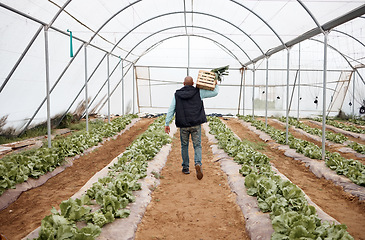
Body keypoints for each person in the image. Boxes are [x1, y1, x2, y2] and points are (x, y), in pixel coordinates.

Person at [164, 76, 219, 180]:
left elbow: (171, 109)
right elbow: (215, 93)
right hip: (195, 124)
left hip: (183, 125)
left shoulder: (177, 94)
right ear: (193, 83)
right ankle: (198, 163)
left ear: (183, 83)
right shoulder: (199, 92)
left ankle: (185, 167)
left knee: (184, 146)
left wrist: (167, 123)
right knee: (197, 145)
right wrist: (216, 84)